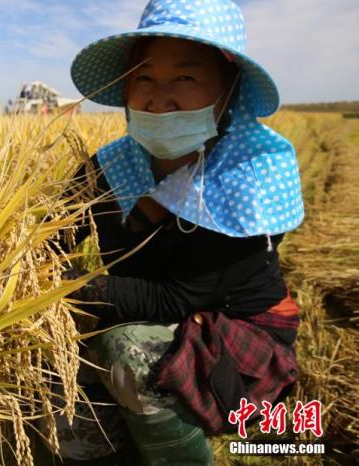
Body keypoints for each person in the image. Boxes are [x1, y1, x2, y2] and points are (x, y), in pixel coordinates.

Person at [43, 0, 304, 464]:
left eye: (184, 77)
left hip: (231, 329)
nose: (158, 97)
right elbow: (50, 236)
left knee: (128, 350)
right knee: (51, 351)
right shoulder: (112, 165)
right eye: (143, 77)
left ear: (230, 90)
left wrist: (65, 291)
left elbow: (173, 299)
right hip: (147, 311)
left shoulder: (247, 178)